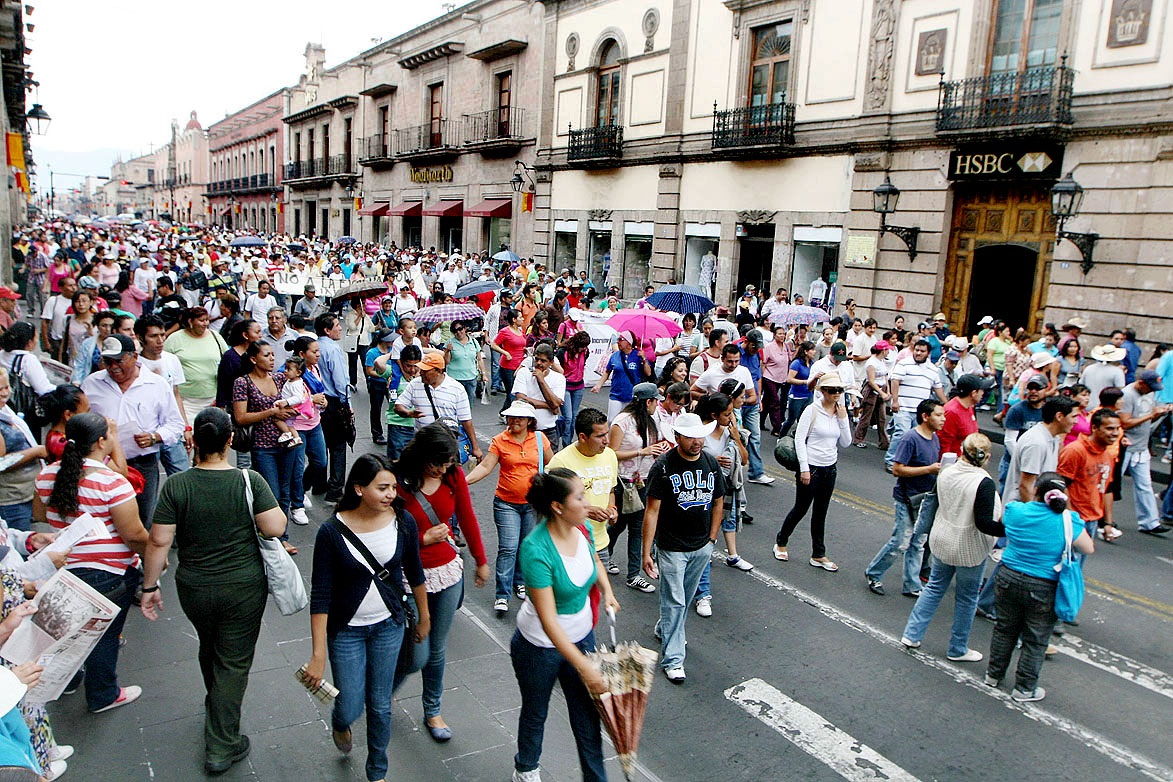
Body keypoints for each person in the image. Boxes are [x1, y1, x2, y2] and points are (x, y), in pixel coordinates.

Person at [139, 407, 286, 775]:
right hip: (243, 587)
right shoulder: (247, 481)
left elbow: (159, 542)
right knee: (233, 661)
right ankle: (222, 744)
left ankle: (216, 703)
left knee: (211, 645)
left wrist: (149, 586)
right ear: (230, 441)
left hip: (194, 587)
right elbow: (274, 526)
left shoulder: (177, 485)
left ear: (194, 442)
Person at [302, 454, 430, 782]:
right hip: (346, 631)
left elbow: (415, 572)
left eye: (393, 487)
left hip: (389, 625)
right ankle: (340, 722)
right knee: (350, 705)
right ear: (359, 489)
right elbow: (321, 594)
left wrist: (424, 616)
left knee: (380, 704)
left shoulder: (403, 521)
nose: (391, 494)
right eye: (382, 487)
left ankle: (377, 771)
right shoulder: (331, 532)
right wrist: (318, 655)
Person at [32, 412, 148, 713]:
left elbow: (42, 515)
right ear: (101, 441)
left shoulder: (46, 476)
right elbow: (134, 534)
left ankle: (68, 680)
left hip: (63, 568)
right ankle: (103, 694)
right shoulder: (112, 483)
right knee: (105, 636)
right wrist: (153, 557)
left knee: (69, 630)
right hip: (110, 572)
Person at [510, 468, 618, 782]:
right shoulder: (535, 549)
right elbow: (548, 620)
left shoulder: (580, 528)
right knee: (535, 711)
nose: (587, 503)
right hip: (538, 647)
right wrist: (585, 668)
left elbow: (595, 561)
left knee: (587, 719)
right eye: (580, 497)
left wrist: (608, 592)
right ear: (557, 506)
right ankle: (526, 768)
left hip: (582, 638)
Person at [392, 424, 489, 743]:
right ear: (423, 457)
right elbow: (384, 532)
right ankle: (380, 694)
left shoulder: (452, 476)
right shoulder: (398, 482)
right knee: (415, 653)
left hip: (447, 571)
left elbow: (467, 515)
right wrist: (421, 538)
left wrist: (481, 560)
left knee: (437, 648)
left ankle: (432, 710)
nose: (445, 468)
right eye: (440, 463)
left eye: (449, 462)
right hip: (409, 576)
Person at [985, 472, 1094, 702]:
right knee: (1035, 639)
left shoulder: (1016, 510)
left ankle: (993, 675)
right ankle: (1024, 688)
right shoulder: (1068, 520)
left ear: (1036, 490)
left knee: (1005, 629)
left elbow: (1004, 524)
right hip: (1043, 585)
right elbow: (1087, 548)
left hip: (1008, 576)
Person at [899, 433, 1002, 661]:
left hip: (942, 539)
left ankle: (911, 634)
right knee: (966, 598)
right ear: (987, 457)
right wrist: (1009, 530)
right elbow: (984, 523)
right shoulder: (983, 483)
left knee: (934, 587)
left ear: (963, 451)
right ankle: (958, 648)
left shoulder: (947, 471)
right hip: (969, 547)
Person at [641, 412, 725, 683]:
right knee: (675, 601)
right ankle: (674, 659)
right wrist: (646, 552)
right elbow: (652, 511)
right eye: (690, 437)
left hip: (701, 545)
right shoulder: (663, 467)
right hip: (671, 547)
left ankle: (664, 628)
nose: (697, 442)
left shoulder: (710, 463)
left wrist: (712, 539)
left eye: (699, 436)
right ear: (677, 437)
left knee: (683, 599)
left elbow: (718, 502)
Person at [82, 334, 185, 527]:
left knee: (142, 517)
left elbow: (175, 424)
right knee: (104, 517)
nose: (113, 367)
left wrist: (155, 437)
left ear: (134, 357)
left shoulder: (156, 384)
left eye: (119, 361)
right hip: (104, 464)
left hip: (142, 463)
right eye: (108, 361)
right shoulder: (92, 384)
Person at [466, 401, 553, 614]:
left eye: (519, 418)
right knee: (508, 547)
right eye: (511, 417)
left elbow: (553, 465)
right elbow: (486, 466)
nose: (514, 421)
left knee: (526, 546)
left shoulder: (540, 439)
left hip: (532, 505)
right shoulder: (500, 441)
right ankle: (502, 594)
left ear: (529, 421)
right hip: (506, 504)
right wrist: (463, 482)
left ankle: (520, 581)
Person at [864, 399, 945, 596]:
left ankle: (912, 585)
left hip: (924, 498)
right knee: (900, 542)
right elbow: (897, 469)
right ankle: (873, 572)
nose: (943, 419)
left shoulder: (934, 438)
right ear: (925, 417)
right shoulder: (910, 439)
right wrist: (929, 469)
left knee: (918, 543)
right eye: (939, 415)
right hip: (907, 498)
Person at [773, 374, 852, 570]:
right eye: (832, 390)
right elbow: (799, 439)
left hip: (830, 468)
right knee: (801, 508)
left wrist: (843, 420)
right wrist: (805, 468)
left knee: (821, 512)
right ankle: (781, 541)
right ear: (822, 391)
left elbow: (846, 442)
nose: (836, 394)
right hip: (812, 467)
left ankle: (818, 554)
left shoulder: (840, 412)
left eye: (839, 390)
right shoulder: (812, 410)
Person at [232, 342, 300, 555]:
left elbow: (298, 395)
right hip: (263, 446)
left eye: (272, 354)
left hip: (286, 442)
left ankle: (281, 536)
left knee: (285, 492)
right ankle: (269, 536)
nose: (272, 358)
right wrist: (271, 413)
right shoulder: (243, 383)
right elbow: (241, 417)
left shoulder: (280, 379)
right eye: (266, 355)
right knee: (271, 492)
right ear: (253, 359)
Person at [605, 383, 669, 594]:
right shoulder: (621, 422)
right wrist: (641, 452)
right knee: (618, 524)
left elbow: (654, 445)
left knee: (637, 528)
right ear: (647, 402)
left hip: (644, 480)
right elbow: (611, 453)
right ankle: (604, 556)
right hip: (624, 482)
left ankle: (633, 574)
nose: (657, 404)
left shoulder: (651, 421)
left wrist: (658, 449)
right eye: (655, 400)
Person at [549, 408, 619, 574]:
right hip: (569, 545)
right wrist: (587, 511)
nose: (607, 441)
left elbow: (610, 490)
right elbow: (551, 505)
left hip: (600, 543)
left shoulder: (610, 456)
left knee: (598, 597)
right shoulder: (561, 461)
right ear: (582, 437)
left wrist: (612, 509)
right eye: (600, 436)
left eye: (607, 434)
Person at [394, 352, 484, 461]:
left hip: (447, 447)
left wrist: (475, 447)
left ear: (438, 371)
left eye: (426, 371)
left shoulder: (457, 389)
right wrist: (408, 413)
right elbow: (398, 406)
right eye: (421, 369)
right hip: (423, 445)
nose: (421, 373)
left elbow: (466, 421)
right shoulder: (415, 384)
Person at [135, 315, 193, 476]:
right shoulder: (135, 364)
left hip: (170, 429)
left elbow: (176, 394)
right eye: (153, 336)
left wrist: (186, 427)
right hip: (147, 432)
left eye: (162, 335)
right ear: (141, 338)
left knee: (181, 477)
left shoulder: (172, 360)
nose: (160, 340)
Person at [1058, 408, 1123, 543]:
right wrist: (1071, 518)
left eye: (1118, 428)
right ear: (1094, 428)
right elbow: (1061, 485)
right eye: (1110, 428)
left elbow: (1107, 489)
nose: (1115, 433)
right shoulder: (1075, 451)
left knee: (1078, 563)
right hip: (1073, 519)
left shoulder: (1108, 456)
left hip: (1093, 520)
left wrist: (1107, 523)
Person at [1118, 369, 1170, 535]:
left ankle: (1150, 522)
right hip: (1124, 445)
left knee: (1145, 485)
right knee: (1112, 484)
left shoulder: (1149, 394)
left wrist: (1159, 413)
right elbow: (1125, 423)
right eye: (1150, 388)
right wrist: (1150, 416)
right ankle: (1101, 518)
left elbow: (1149, 416)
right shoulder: (1127, 395)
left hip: (1140, 447)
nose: (1152, 391)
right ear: (1141, 383)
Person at [286, 336, 330, 525]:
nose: (318, 355)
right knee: (296, 467)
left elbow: (319, 392)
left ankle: (301, 489)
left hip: (314, 422)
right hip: (297, 426)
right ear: (302, 354)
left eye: (318, 351)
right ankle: (297, 506)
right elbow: (288, 399)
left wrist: (323, 400)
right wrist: (312, 400)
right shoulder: (289, 374)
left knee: (320, 461)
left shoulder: (314, 369)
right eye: (314, 351)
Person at [885, 339, 946, 471]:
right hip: (903, 407)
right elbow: (895, 381)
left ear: (928, 353)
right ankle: (891, 460)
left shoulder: (933, 370)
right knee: (902, 433)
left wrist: (947, 404)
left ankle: (909, 462)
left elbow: (938, 388)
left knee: (918, 437)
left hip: (921, 411)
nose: (918, 353)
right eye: (916, 350)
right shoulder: (904, 364)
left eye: (922, 351)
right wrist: (895, 401)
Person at [0, 367, 47, 531]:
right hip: (11, 499)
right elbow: (1, 463)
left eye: (6, 387)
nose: (5, 393)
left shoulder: (6, 411)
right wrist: (36, 452)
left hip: (26, 492)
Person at [315, 313, 353, 503]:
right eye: (337, 325)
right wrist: (347, 405)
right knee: (337, 447)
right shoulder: (332, 349)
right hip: (333, 402)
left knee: (321, 445)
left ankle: (320, 483)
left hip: (317, 402)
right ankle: (335, 488)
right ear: (327, 330)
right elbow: (341, 382)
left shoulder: (314, 347)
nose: (340, 328)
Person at [164, 307, 228, 421]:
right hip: (185, 401)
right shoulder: (174, 339)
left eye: (207, 320)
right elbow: (163, 362)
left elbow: (227, 360)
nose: (205, 324)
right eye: (201, 320)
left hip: (213, 399)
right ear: (190, 321)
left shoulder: (215, 336)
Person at [511, 343, 565, 445]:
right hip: (525, 431)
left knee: (548, 461)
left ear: (551, 362)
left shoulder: (559, 378)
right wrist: (549, 406)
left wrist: (541, 380)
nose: (539, 363)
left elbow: (556, 403)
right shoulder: (523, 373)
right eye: (537, 359)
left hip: (548, 431)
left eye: (543, 361)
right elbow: (521, 399)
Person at [593, 331, 651, 421]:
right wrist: (599, 385)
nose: (618, 342)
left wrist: (643, 359)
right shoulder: (615, 356)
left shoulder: (638, 355)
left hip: (632, 396)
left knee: (629, 422)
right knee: (611, 421)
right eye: (617, 340)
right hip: (616, 394)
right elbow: (607, 371)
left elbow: (648, 373)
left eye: (620, 340)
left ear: (629, 343)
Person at [939, 374, 995, 456]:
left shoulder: (969, 406)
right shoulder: (952, 412)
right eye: (981, 390)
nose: (983, 393)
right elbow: (944, 443)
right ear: (973, 393)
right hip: (956, 464)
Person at [852, 339, 892, 449]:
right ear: (883, 350)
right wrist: (881, 393)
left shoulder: (882, 361)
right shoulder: (871, 363)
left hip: (881, 389)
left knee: (882, 418)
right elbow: (871, 381)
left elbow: (885, 377)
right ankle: (858, 438)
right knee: (866, 416)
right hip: (871, 391)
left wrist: (887, 391)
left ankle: (884, 442)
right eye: (887, 349)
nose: (888, 351)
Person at [555, 330, 591, 450]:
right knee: (568, 417)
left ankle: (569, 440)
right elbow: (556, 368)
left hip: (578, 386)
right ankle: (566, 443)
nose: (583, 349)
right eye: (582, 346)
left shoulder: (585, 352)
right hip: (565, 386)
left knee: (574, 417)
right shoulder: (563, 352)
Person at [493, 309, 527, 416]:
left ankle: (504, 412)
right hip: (508, 366)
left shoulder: (521, 331)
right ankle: (507, 414)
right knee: (512, 392)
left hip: (520, 366)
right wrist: (505, 353)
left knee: (517, 391)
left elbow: (522, 345)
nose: (522, 319)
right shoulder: (505, 332)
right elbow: (494, 344)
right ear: (513, 319)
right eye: (520, 317)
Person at [443, 320, 484, 409]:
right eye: (455, 331)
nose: (458, 332)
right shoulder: (450, 343)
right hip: (455, 378)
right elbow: (446, 362)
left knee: (469, 404)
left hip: (471, 377)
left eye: (460, 329)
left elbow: (479, 359)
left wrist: (484, 374)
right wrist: (447, 351)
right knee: (455, 404)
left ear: (465, 329)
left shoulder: (473, 341)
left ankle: (466, 421)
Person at [780, 340, 815, 437]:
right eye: (812, 349)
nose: (814, 352)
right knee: (791, 419)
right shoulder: (797, 363)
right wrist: (804, 382)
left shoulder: (812, 364)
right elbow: (789, 379)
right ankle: (781, 436)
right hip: (797, 396)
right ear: (805, 351)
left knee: (804, 420)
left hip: (808, 395)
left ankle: (799, 438)